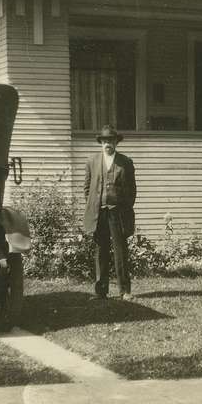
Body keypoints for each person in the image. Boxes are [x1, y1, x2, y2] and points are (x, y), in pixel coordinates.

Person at [83, 125, 137, 300]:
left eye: (111, 141)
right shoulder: (92, 162)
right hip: (100, 213)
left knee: (120, 251)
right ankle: (101, 291)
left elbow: (132, 190)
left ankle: (125, 290)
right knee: (101, 251)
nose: (108, 143)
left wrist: (124, 207)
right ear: (101, 142)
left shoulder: (126, 162)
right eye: (105, 141)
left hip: (118, 213)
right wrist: (95, 205)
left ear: (116, 143)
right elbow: (87, 188)